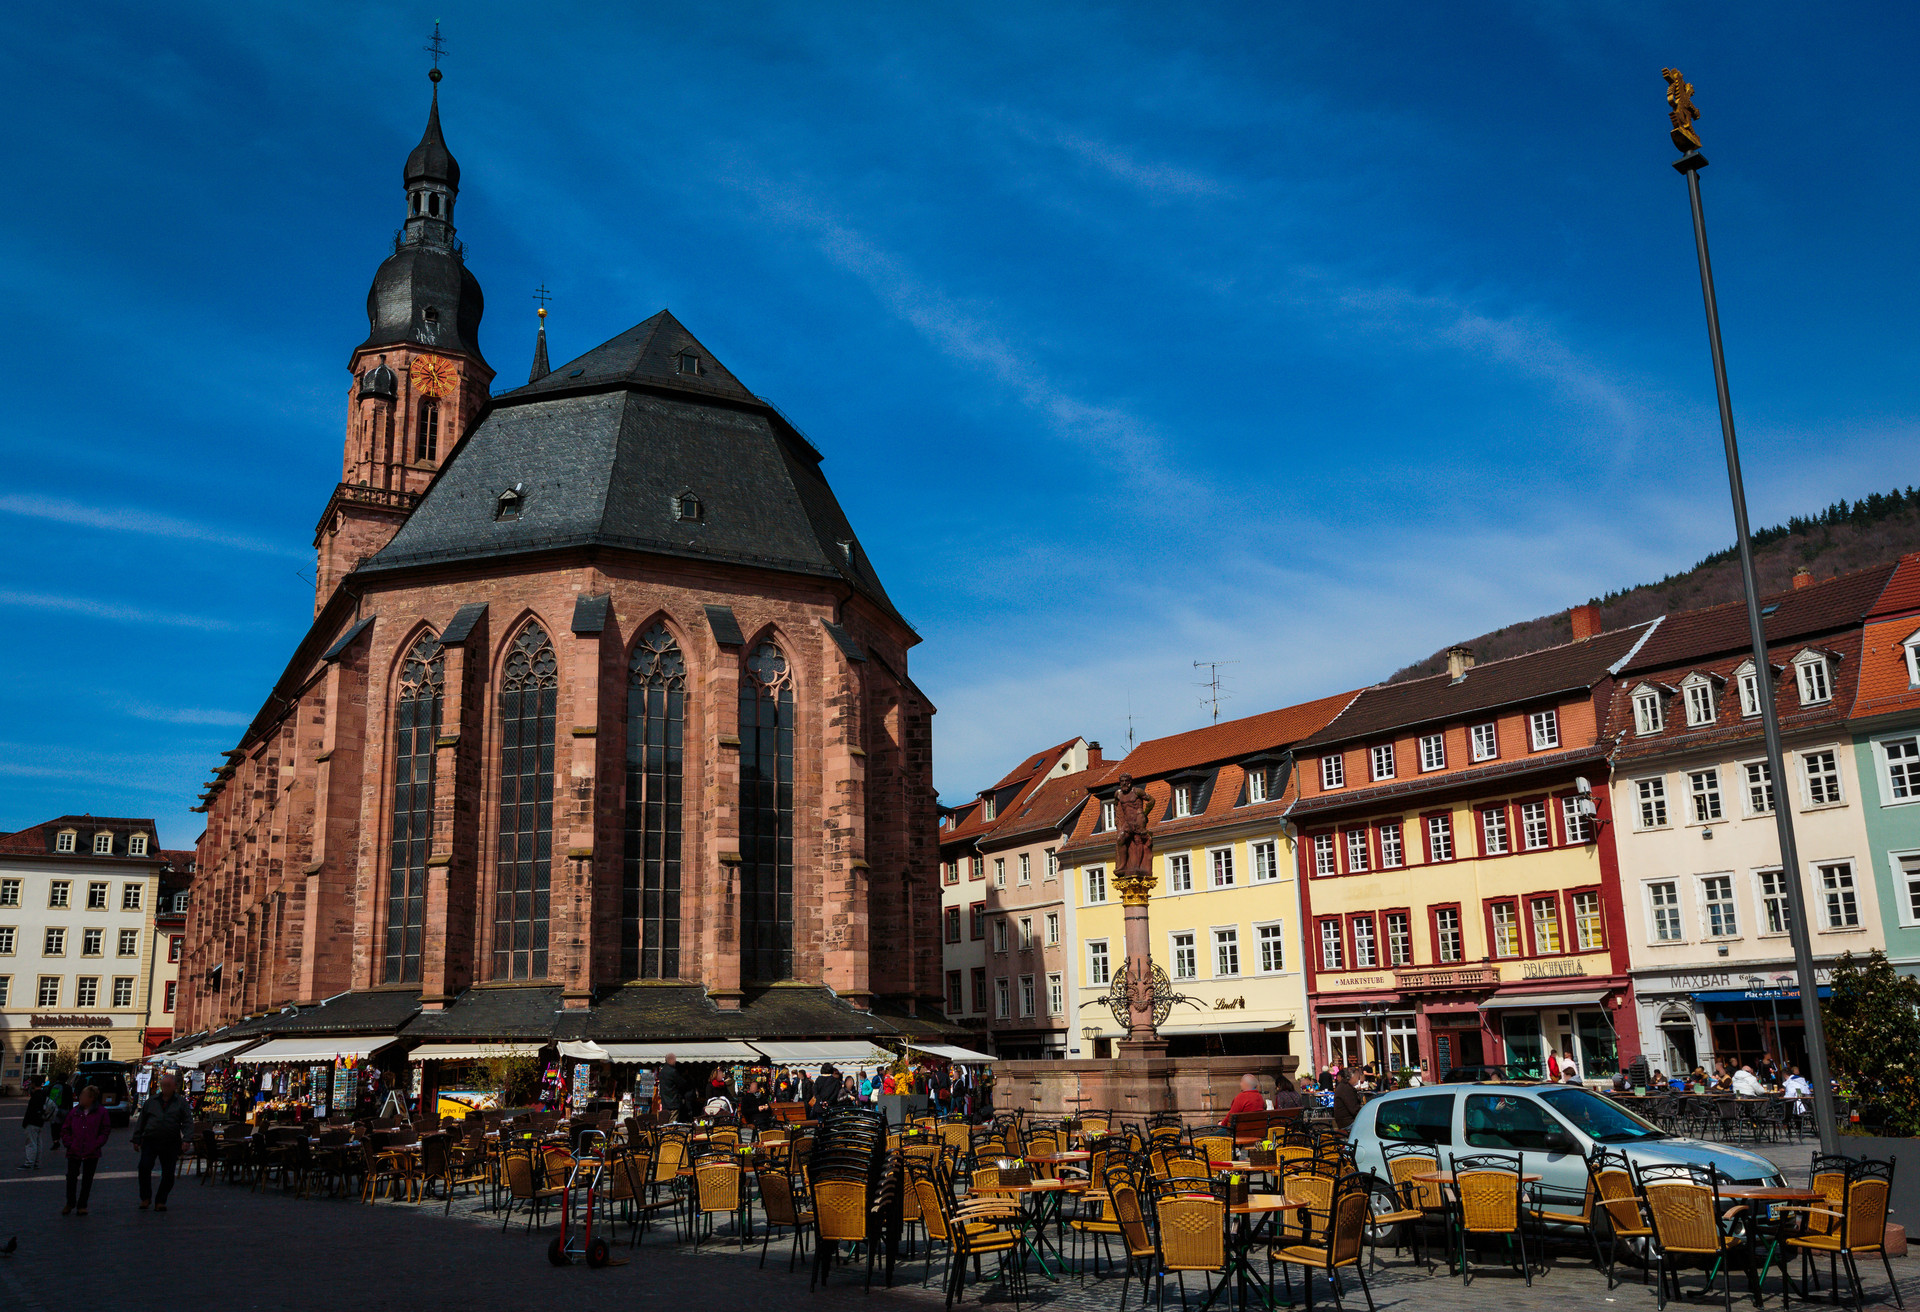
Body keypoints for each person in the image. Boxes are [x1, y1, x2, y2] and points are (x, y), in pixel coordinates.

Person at [130, 1071, 192, 1212]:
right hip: (150, 1139)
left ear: (174, 1087)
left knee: (168, 1173)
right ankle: (145, 1198)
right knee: (144, 1168)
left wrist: (187, 1139)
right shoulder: (152, 1101)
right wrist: (137, 1138)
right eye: (163, 1085)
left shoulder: (180, 1102)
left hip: (170, 1141)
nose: (165, 1088)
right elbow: (142, 1121)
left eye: (168, 1086)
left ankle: (161, 1201)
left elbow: (188, 1121)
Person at [59, 1085, 111, 1216]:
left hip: (91, 1151)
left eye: (83, 1095)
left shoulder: (101, 1112)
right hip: (74, 1150)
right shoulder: (75, 1111)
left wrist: (97, 1144)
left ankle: (82, 1205)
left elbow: (105, 1130)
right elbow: (65, 1129)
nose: (80, 1097)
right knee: (71, 1177)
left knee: (87, 1179)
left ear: (91, 1098)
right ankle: (70, 1202)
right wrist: (69, 1143)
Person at [18, 1075, 49, 1171]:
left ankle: (29, 1163)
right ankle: (36, 1163)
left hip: (32, 1122)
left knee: (31, 1143)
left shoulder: (36, 1095)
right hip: (40, 1121)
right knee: (38, 1143)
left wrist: (26, 1122)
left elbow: (31, 1111)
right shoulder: (43, 1094)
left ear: (34, 1084)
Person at [1331, 1065, 1364, 1131]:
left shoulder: (1344, 1086)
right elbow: (1354, 1109)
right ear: (1352, 1076)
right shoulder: (1346, 1089)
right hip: (1348, 1123)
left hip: (1345, 1121)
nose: (1358, 1079)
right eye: (1357, 1077)